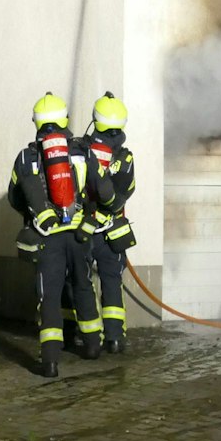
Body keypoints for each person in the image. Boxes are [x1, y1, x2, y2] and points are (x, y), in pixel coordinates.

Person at [8, 92, 102, 378]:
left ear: (36, 122)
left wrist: (38, 214)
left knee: (48, 295)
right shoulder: (83, 152)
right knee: (83, 286)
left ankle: (50, 360)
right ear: (65, 120)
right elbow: (101, 190)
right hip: (78, 236)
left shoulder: (27, 156)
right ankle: (92, 345)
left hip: (46, 235)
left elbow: (14, 196)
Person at [80, 92, 138, 354]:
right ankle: (115, 339)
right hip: (112, 232)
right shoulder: (125, 158)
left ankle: (87, 337)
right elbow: (128, 190)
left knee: (80, 282)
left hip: (82, 229)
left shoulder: (81, 151)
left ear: (96, 120)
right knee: (112, 281)